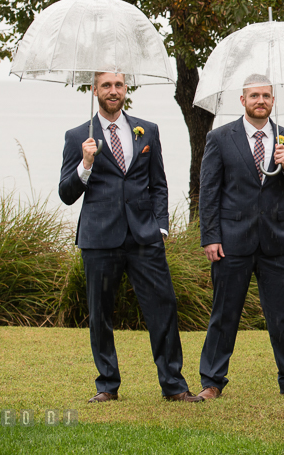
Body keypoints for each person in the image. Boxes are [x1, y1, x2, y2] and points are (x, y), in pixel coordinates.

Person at [58, 72, 195, 403]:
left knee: (164, 307)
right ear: (94, 91)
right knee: (101, 313)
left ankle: (173, 385)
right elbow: (66, 193)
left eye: (118, 85)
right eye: (106, 85)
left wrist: (161, 225)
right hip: (99, 239)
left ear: (126, 89)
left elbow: (158, 183)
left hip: (145, 237)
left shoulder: (147, 130)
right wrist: (85, 165)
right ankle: (107, 385)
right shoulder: (78, 136)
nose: (113, 91)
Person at [193, 75, 284, 401]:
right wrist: (210, 237)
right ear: (243, 100)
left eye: (266, 96)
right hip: (232, 241)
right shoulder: (220, 138)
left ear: (273, 101)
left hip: (277, 243)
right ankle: (211, 382)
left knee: (282, 316)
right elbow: (208, 192)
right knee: (224, 313)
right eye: (254, 96)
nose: (261, 101)